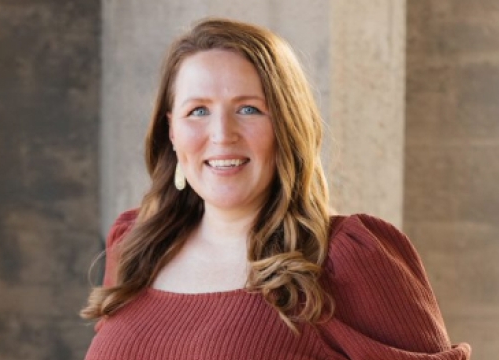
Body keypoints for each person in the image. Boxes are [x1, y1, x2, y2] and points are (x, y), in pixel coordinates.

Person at [81, 18, 471, 360]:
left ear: (286, 125)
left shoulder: (347, 257)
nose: (221, 135)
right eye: (197, 110)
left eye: (248, 109)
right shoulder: (135, 244)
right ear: (171, 130)